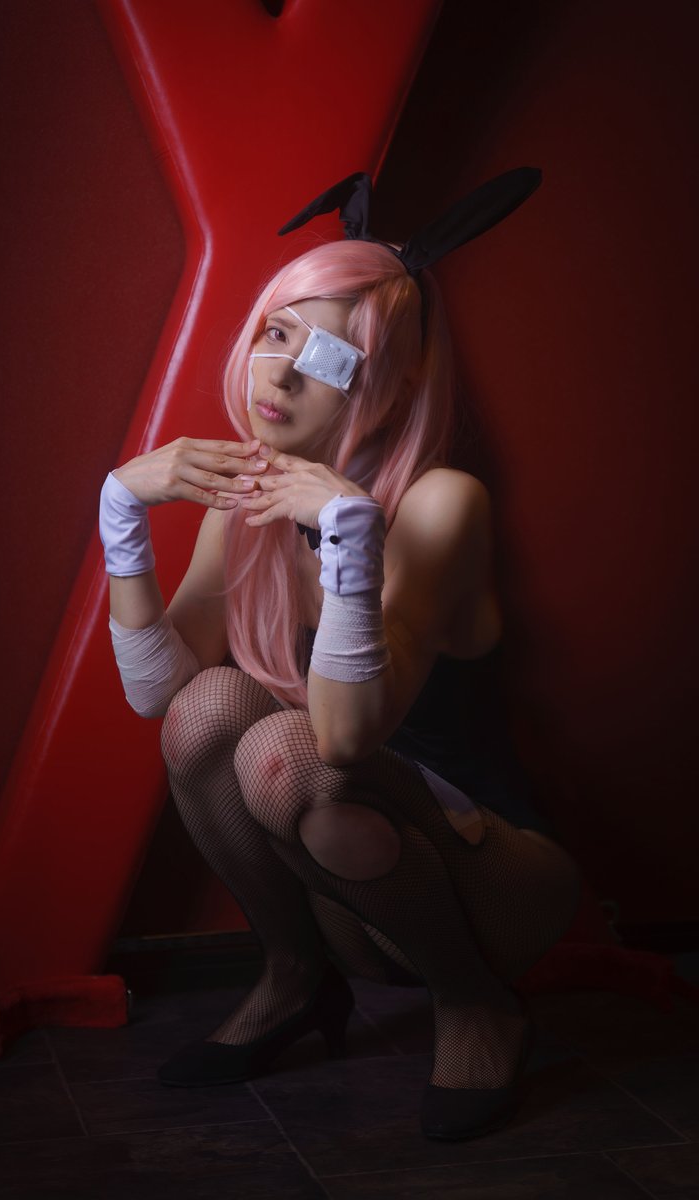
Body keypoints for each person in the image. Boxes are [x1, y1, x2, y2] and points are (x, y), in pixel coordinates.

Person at [98, 171, 582, 1140]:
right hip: (342, 881)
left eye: (326, 357)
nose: (279, 376)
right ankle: (293, 976)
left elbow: (346, 742)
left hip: (491, 882)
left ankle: (474, 1002)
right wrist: (120, 514)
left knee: (283, 755)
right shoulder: (248, 507)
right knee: (208, 714)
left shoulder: (439, 506)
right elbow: (160, 697)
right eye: (275, 333)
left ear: (394, 387)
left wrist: (350, 534)